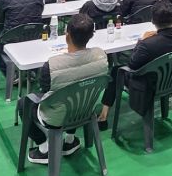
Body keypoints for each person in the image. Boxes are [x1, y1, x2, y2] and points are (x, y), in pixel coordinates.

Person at [20, 13, 108, 165]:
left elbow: (46, 92)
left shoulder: (52, 65)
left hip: (56, 118)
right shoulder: (101, 57)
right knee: (76, 94)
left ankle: (44, 148)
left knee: (23, 103)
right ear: (91, 36)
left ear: (67, 36)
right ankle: (70, 140)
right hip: (86, 110)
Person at [98, 1, 172, 128]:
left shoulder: (147, 44)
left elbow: (132, 64)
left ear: (153, 21)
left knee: (116, 71)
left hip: (148, 85)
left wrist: (141, 41)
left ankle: (103, 115)